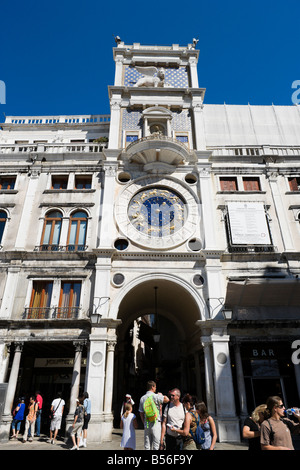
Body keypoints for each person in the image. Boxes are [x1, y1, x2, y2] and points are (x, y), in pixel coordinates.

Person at [139, 380, 169, 450]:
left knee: (147, 445)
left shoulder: (142, 398)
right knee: (156, 445)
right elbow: (167, 400)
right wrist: (161, 395)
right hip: (156, 422)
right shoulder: (156, 396)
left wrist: (144, 422)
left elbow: (141, 412)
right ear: (152, 387)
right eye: (155, 387)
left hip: (147, 422)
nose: (156, 388)